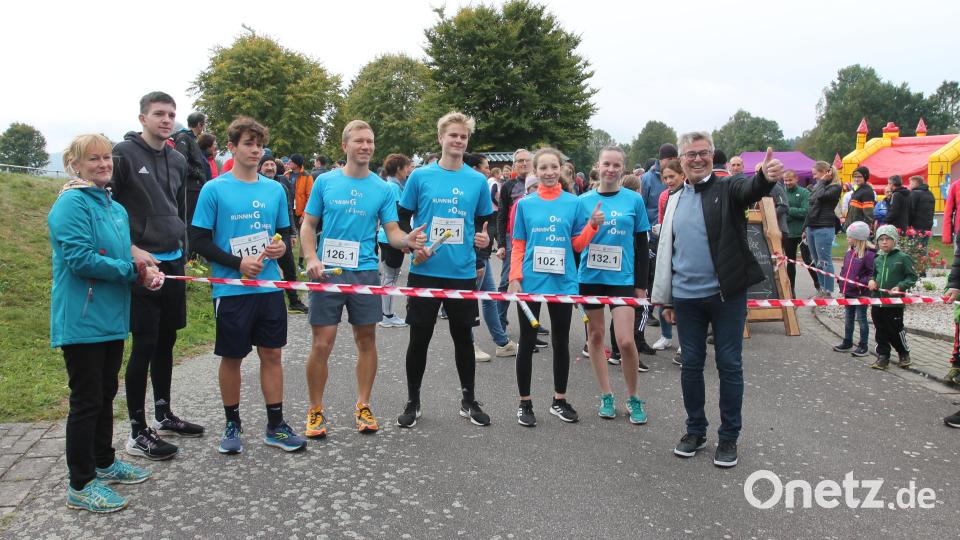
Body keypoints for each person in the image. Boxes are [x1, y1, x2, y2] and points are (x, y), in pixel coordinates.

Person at [652, 133, 783, 468]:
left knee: (729, 365)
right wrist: (664, 299)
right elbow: (669, 251)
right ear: (680, 160)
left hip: (725, 296)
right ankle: (695, 430)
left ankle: (729, 438)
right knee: (691, 366)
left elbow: (748, 189)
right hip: (685, 298)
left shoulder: (727, 188)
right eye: (690, 154)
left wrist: (764, 179)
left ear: (712, 156)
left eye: (704, 153)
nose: (697, 159)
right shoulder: (675, 198)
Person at [50, 134, 162, 513]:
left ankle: (103, 460)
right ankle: (80, 484)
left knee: (105, 395)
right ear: (76, 165)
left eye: (106, 158)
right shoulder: (71, 204)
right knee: (85, 401)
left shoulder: (113, 206)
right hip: (82, 318)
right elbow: (81, 259)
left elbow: (121, 250)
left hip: (112, 316)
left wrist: (143, 265)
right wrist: (133, 271)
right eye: (93, 159)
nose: (102, 164)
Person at [301, 121, 426, 437]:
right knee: (322, 343)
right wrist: (311, 257)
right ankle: (315, 410)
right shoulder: (325, 182)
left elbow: (392, 231)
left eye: (370, 141)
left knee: (367, 341)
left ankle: (363, 405)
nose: (366, 146)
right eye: (359, 141)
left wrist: (406, 240)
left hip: (366, 271)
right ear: (345, 146)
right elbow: (308, 224)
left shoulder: (383, 188)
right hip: (327, 272)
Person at [189, 117, 306, 454]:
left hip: (268, 288)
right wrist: (238, 264)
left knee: (272, 354)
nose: (255, 151)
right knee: (233, 356)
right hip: (231, 289)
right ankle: (232, 423)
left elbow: (284, 233)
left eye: (259, 145)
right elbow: (198, 239)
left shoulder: (274, 189)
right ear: (232, 147)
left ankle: (276, 425)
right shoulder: (214, 188)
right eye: (248, 144)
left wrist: (283, 247)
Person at [110, 91, 204, 461]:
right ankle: (137, 430)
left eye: (171, 115)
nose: (166, 120)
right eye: (159, 114)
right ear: (142, 118)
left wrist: (183, 241)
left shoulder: (178, 158)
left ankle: (164, 414)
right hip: (142, 265)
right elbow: (109, 206)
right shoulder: (123, 154)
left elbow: (178, 205)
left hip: (174, 262)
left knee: (167, 341)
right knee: (144, 344)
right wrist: (131, 250)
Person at [395, 112, 494, 428]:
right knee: (419, 338)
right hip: (425, 269)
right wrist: (412, 245)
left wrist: (484, 240)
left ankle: (468, 400)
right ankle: (413, 401)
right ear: (441, 138)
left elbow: (481, 226)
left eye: (463, 137)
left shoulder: (477, 180)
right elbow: (400, 219)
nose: (458, 141)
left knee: (463, 337)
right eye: (453, 135)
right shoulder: (421, 177)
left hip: (461, 273)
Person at [508, 148, 602, 426]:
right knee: (527, 341)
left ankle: (559, 400)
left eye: (554, 167)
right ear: (534, 172)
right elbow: (519, 244)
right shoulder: (525, 204)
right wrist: (514, 276)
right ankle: (525, 403)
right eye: (543, 168)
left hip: (563, 280)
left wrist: (592, 228)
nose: (549, 173)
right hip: (531, 280)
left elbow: (576, 245)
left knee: (561, 340)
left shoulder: (573, 203)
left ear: (561, 169)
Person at [579, 146, 651, 423]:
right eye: (606, 164)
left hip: (622, 279)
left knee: (625, 341)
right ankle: (606, 395)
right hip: (590, 279)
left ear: (623, 168)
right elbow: (576, 244)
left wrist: (641, 286)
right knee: (595, 338)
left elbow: (642, 246)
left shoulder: (633, 200)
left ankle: (633, 397)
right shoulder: (583, 201)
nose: (611, 169)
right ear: (598, 166)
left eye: (616, 165)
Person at [464, 153, 517, 360]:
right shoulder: (472, 191)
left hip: (482, 254)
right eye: (485, 167)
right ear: (475, 169)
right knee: (468, 302)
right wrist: (478, 257)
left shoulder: (481, 188)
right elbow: (476, 228)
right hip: (474, 255)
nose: (489, 170)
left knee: (489, 298)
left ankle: (502, 342)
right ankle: (468, 345)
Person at [259, 156, 308, 313]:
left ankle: (294, 301)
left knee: (289, 267)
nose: (269, 167)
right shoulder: (255, 186)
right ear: (259, 168)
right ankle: (265, 300)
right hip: (261, 232)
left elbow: (289, 211)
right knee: (263, 265)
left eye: (272, 164)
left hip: (282, 233)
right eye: (266, 164)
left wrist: (293, 233)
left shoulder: (282, 186)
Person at [867, 225, 917, 370]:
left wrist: (901, 287)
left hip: (894, 304)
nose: (884, 242)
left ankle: (903, 353)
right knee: (880, 330)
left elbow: (912, 276)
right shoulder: (877, 258)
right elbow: (874, 274)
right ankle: (883, 357)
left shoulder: (903, 258)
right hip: (878, 302)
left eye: (888, 239)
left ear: (894, 240)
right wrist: (872, 281)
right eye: (881, 239)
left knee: (895, 330)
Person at [377, 153, 415, 328]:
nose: (409, 170)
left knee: (388, 276)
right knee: (390, 277)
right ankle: (387, 315)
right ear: (399, 169)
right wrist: (404, 241)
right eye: (407, 166)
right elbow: (398, 218)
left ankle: (387, 314)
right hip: (392, 238)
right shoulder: (394, 188)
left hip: (387, 238)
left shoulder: (392, 185)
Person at [652, 158, 684, 354]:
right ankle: (665, 335)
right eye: (665, 178)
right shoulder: (664, 196)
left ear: (683, 175)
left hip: (682, 250)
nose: (669, 181)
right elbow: (663, 219)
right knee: (663, 292)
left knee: (681, 298)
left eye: (672, 176)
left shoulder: (689, 195)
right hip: (666, 248)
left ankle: (684, 340)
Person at [831, 221, 875, 357]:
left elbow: (871, 273)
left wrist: (858, 282)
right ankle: (847, 341)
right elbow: (845, 269)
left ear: (858, 239)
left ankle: (863, 345)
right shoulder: (849, 253)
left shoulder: (869, 255)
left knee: (861, 319)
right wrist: (841, 279)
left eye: (849, 236)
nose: (847, 238)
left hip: (860, 293)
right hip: (849, 292)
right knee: (848, 317)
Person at [802, 161, 842, 297]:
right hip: (812, 226)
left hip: (824, 227)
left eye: (816, 174)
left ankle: (828, 290)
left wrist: (823, 182)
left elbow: (820, 196)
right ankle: (822, 288)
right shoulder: (819, 186)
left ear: (825, 172)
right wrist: (805, 228)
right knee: (816, 260)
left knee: (824, 260)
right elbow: (812, 201)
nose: (814, 178)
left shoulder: (835, 187)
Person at [173, 112, 209, 244]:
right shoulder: (183, 136)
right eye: (203, 124)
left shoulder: (193, 139)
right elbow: (180, 160)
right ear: (200, 124)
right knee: (188, 220)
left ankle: (193, 251)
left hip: (196, 186)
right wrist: (198, 173)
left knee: (194, 220)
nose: (203, 127)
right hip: (190, 187)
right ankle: (188, 254)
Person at [780, 170, 814, 297]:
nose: (787, 183)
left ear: (796, 179)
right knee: (790, 262)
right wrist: (790, 213)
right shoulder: (781, 192)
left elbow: (806, 211)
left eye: (790, 180)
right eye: (785, 180)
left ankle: (818, 284)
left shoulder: (804, 192)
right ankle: (791, 290)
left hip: (802, 233)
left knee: (808, 260)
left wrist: (788, 210)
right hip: (787, 233)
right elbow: (779, 211)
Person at [640, 143, 678, 235]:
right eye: (669, 159)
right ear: (661, 160)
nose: (672, 162)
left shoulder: (680, 176)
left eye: (674, 159)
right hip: (652, 233)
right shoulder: (646, 179)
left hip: (673, 232)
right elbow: (641, 208)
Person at [908, 175, 935, 249]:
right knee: (923, 248)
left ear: (916, 183)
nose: (909, 185)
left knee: (914, 249)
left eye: (910, 183)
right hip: (927, 226)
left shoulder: (914, 193)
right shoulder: (930, 193)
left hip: (916, 226)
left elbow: (911, 210)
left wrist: (908, 224)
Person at [845, 166, 875, 231]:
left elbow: (869, 215)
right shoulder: (858, 190)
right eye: (855, 177)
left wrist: (863, 229)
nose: (856, 179)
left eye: (859, 177)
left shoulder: (867, 192)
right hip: (853, 228)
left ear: (865, 177)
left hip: (859, 230)